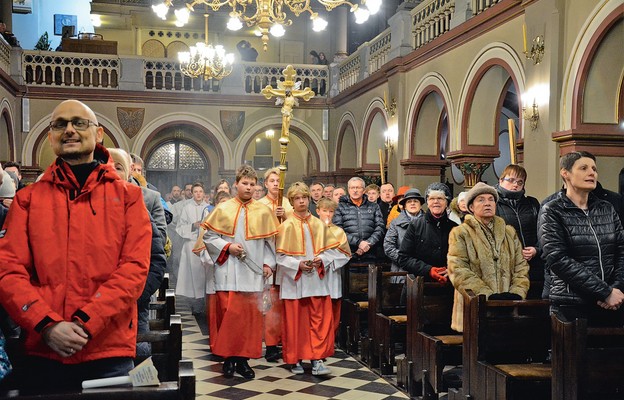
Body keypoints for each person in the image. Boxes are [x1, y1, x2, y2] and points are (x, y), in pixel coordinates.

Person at [0, 99, 151, 391]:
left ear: (98, 134)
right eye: (60, 124)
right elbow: (8, 270)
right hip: (45, 349)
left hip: (108, 349)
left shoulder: (129, 199)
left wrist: (85, 322)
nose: (69, 130)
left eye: (79, 123)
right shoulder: (27, 200)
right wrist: (48, 324)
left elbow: (134, 270)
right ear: (51, 137)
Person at [202, 165, 279, 379]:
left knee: (248, 319)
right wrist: (228, 247)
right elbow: (208, 237)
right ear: (236, 184)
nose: (248, 187)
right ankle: (228, 359)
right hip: (227, 272)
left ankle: (243, 360)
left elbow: (269, 244)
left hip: (252, 274)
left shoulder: (264, 211)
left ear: (257, 187)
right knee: (229, 316)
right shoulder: (224, 208)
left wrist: (267, 265)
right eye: (244, 183)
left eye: (252, 184)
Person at [538, 151, 624, 326]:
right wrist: (604, 292)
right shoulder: (552, 210)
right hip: (571, 304)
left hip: (610, 304)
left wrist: (616, 288)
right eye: (584, 168)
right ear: (565, 173)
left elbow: (621, 250)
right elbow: (558, 259)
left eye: (594, 169)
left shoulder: (606, 208)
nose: (592, 173)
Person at [276, 182, 349, 375]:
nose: (301, 201)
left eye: (304, 197)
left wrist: (322, 259)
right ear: (291, 202)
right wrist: (297, 264)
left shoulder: (319, 224)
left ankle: (317, 359)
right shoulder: (285, 226)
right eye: (297, 198)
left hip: (317, 281)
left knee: (318, 321)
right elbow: (279, 256)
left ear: (309, 199)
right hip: (295, 282)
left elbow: (337, 252)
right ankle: (296, 359)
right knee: (295, 323)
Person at [447, 182, 530, 332]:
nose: (487, 203)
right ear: (471, 207)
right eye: (481, 200)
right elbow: (458, 270)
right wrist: (488, 296)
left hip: (508, 308)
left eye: (491, 199)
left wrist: (516, 293)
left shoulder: (509, 232)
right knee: (479, 352)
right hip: (474, 308)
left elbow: (521, 267)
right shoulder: (460, 233)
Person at [108, 147, 167, 357]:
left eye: (118, 167)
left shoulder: (141, 205)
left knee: (138, 354)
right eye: (107, 166)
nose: (113, 172)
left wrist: (137, 295)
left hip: (134, 299)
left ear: (129, 171)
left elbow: (157, 258)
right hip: (96, 303)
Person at [495, 165, 544, 285]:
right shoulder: (493, 203)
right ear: (501, 180)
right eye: (511, 180)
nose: (515, 184)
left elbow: (543, 231)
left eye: (520, 182)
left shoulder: (532, 204)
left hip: (533, 266)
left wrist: (536, 249)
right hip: (505, 267)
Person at [398, 183, 457, 285]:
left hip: (448, 285)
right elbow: (404, 258)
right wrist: (428, 270)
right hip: (419, 284)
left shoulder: (455, 228)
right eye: (431, 198)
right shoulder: (415, 225)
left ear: (447, 202)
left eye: (440, 198)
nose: (436, 202)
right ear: (427, 202)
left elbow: (461, 258)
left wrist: (451, 269)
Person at [315, 197, 351, 336]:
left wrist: (327, 259)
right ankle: (317, 336)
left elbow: (345, 254)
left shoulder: (338, 232)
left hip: (331, 272)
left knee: (333, 305)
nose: (328, 214)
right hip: (315, 272)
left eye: (331, 211)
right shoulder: (312, 229)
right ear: (318, 211)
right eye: (325, 211)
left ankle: (331, 337)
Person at [176, 182, 209, 317]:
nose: (198, 194)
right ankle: (195, 303)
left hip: (206, 244)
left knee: (204, 275)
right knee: (193, 276)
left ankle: (204, 302)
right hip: (191, 244)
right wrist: (193, 226)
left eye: (200, 191)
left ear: (204, 193)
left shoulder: (208, 208)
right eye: (195, 192)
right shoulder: (187, 207)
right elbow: (179, 226)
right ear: (192, 193)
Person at [333, 177, 385, 262]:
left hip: (371, 253)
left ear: (364, 190)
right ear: (349, 190)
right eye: (352, 188)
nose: (355, 190)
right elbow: (338, 230)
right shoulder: (340, 207)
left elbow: (380, 227)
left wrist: (369, 243)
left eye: (358, 187)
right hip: (348, 254)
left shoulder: (374, 206)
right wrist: (358, 242)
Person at [385, 188, 425, 283]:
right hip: (401, 270)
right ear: (405, 206)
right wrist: (405, 260)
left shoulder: (429, 222)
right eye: (409, 201)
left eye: (416, 201)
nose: (412, 203)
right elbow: (388, 247)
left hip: (423, 269)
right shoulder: (395, 223)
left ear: (420, 205)